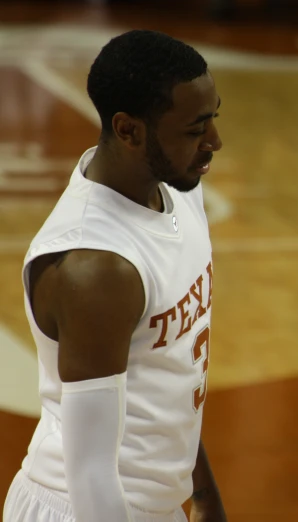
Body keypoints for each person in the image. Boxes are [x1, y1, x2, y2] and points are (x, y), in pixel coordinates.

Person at [3, 30, 226, 522]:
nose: (214, 141)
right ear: (129, 131)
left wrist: (203, 494)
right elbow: (91, 474)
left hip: (156, 503)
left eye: (213, 118)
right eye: (195, 129)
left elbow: (174, 368)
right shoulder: (96, 268)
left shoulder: (178, 187)